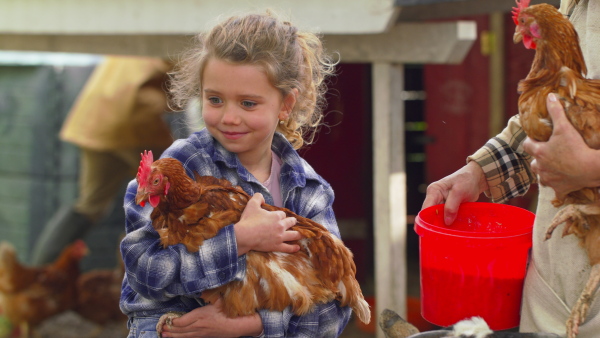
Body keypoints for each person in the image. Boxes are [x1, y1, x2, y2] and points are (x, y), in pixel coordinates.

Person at [119, 11, 352, 337]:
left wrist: (253, 324)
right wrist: (237, 241)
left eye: (247, 103)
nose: (229, 117)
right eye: (214, 99)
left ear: (285, 104)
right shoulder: (181, 167)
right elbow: (145, 272)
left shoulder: (307, 191)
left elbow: (337, 304)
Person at [422, 1, 600, 336]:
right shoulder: (572, 5)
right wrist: (480, 171)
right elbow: (553, 111)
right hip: (554, 283)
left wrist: (592, 169)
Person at [31, 55, 174, 265]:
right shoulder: (172, 38)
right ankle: (146, 276)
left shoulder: (135, 35)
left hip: (93, 121)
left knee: (90, 204)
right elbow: (189, 82)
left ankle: (38, 273)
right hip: (133, 122)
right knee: (170, 196)